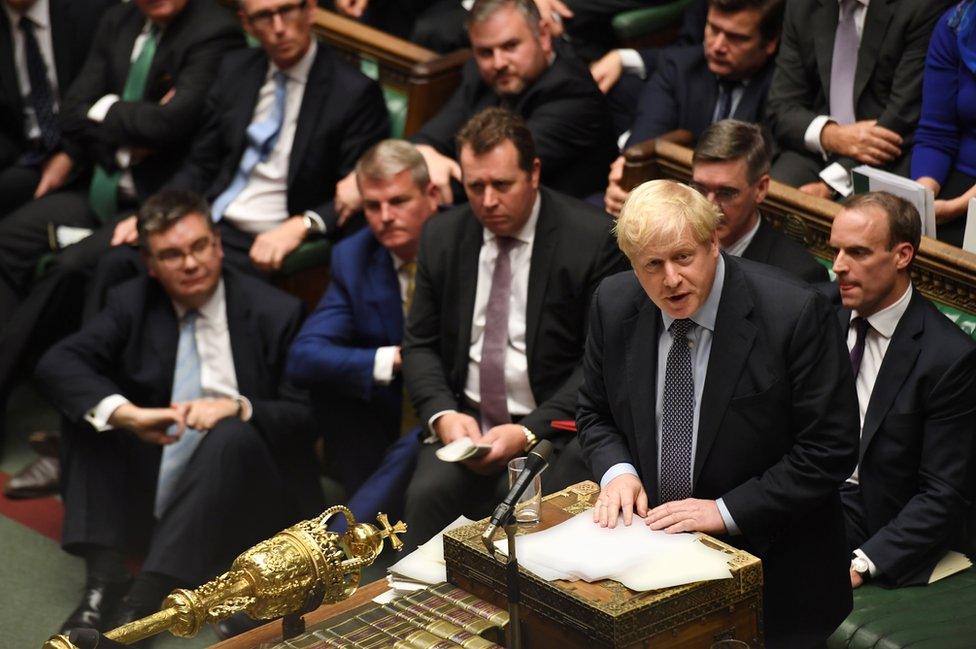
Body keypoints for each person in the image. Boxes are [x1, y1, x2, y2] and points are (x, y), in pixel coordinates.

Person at [578, 179, 859, 648]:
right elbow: (594, 412)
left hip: (775, 568)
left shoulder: (793, 312)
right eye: (652, 265)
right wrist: (618, 471)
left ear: (713, 243)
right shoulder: (614, 302)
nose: (670, 279)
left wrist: (725, 511)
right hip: (652, 557)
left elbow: (829, 451)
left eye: (683, 257)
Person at [35, 190, 323, 636]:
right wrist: (127, 414)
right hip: (158, 478)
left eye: (198, 247)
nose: (190, 264)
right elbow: (59, 362)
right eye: (172, 255)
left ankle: (144, 602)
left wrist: (239, 408)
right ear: (151, 264)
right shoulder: (132, 301)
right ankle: (104, 577)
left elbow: (306, 418)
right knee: (93, 408)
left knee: (230, 434)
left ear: (218, 246)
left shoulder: (274, 311)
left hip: (248, 495)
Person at [0, 0, 243, 483]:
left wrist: (107, 110)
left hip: (155, 205)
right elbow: (71, 113)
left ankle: (73, 435)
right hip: (100, 184)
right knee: (8, 241)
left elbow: (173, 126)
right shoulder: (121, 18)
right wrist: (133, 115)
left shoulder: (214, 32)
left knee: (74, 268)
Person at [399, 107, 627, 551]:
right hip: (465, 429)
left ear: (534, 173)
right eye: (475, 186)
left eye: (502, 185)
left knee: (522, 528)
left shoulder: (591, 239)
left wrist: (528, 430)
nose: (487, 201)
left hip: (552, 431)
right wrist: (444, 415)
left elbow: (598, 362)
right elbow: (420, 345)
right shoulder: (442, 236)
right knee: (424, 502)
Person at [335, 0, 615, 215]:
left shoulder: (573, 95)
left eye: (510, 46)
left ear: (543, 35)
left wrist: (381, 183)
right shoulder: (481, 75)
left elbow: (492, 173)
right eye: (485, 52)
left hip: (550, 230)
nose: (498, 62)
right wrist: (423, 154)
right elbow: (431, 136)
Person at [828, 192, 976, 588]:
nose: (839, 267)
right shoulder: (821, 311)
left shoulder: (947, 358)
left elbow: (943, 495)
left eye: (857, 252)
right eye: (836, 251)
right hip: (803, 485)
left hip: (870, 514)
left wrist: (864, 564)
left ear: (903, 255)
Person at [286, 139, 439, 501]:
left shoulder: (465, 240)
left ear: (431, 195)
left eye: (399, 202)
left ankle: (344, 538)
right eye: (373, 206)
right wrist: (394, 358)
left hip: (456, 406)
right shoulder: (355, 256)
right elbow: (304, 355)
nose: (385, 217)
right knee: (332, 392)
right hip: (386, 418)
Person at [602, 0, 781, 215]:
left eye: (736, 38)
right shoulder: (678, 67)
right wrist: (626, 179)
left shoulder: (782, 88)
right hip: (670, 208)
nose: (718, 46)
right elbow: (644, 143)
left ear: (770, 43)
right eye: (713, 29)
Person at [765, 0, 950, 198]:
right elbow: (781, 107)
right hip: (816, 147)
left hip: (890, 157)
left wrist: (831, 184)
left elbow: (900, 121)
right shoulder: (803, 5)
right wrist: (832, 136)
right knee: (769, 199)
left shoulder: (921, 7)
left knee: (852, 220)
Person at [0, 0, 115, 216]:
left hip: (91, 147)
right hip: (28, 155)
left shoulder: (92, 10)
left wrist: (70, 153)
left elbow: (110, 92)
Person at [688, 120, 827, 283]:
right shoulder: (674, 246)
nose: (709, 207)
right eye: (700, 189)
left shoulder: (797, 275)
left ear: (760, 189)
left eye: (726, 193)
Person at [913, 2, 976, 247]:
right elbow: (936, 132)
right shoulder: (956, 24)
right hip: (959, 173)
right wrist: (922, 197)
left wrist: (958, 207)